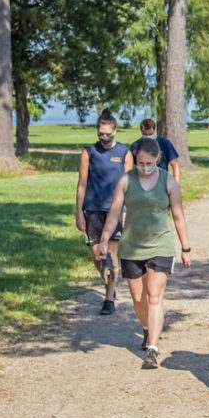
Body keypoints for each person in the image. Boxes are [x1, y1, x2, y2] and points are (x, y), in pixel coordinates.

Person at [97, 138, 192, 369]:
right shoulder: (125, 181)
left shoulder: (168, 182)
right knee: (138, 299)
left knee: (154, 296)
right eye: (141, 163)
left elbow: (178, 217)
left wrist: (185, 248)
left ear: (158, 160)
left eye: (150, 163)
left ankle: (152, 348)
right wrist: (104, 238)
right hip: (132, 246)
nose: (145, 168)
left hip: (160, 245)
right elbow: (114, 213)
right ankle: (148, 328)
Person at [75, 109, 132, 316]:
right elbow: (82, 184)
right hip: (92, 209)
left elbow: (129, 184)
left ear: (115, 131)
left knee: (111, 254)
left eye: (108, 134)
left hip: (115, 210)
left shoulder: (124, 153)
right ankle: (109, 284)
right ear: (97, 131)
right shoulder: (89, 152)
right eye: (101, 134)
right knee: (98, 256)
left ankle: (109, 298)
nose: (105, 138)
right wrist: (79, 212)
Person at [134, 119, 181, 184]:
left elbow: (175, 165)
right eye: (145, 134)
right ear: (141, 132)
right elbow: (132, 167)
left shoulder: (165, 143)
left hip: (161, 182)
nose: (148, 136)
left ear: (155, 130)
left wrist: (177, 185)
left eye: (150, 134)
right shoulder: (136, 145)